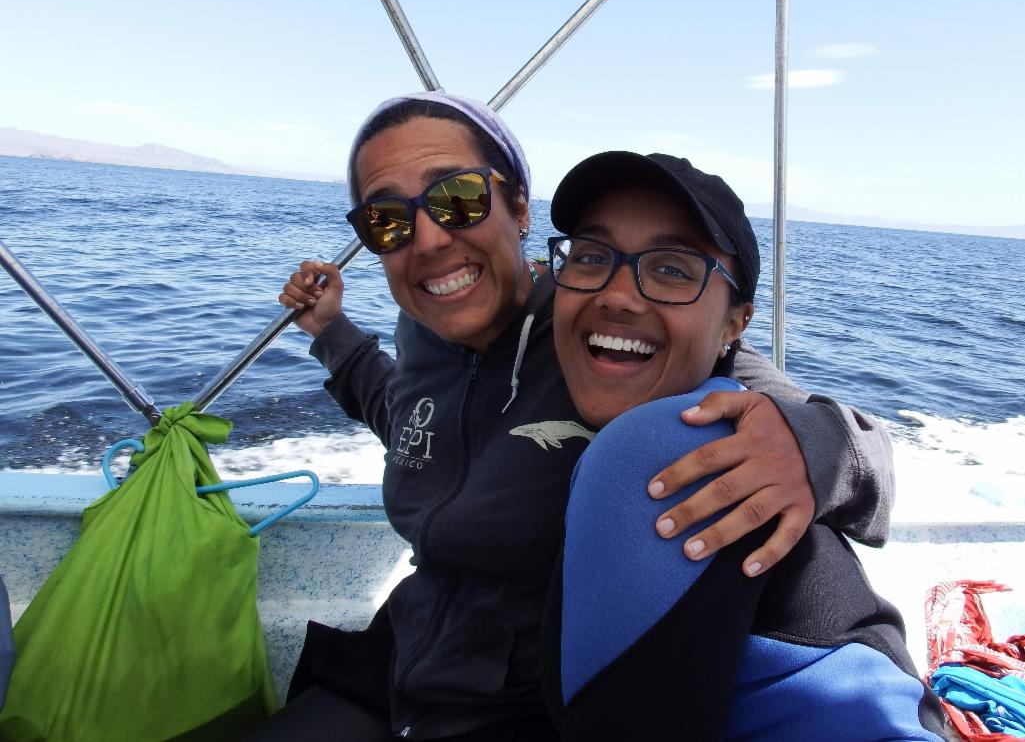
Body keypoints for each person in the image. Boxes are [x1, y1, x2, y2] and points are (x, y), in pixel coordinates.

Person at [266, 92, 896, 740]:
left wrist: (813, 444)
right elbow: (411, 422)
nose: (427, 239)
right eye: (387, 221)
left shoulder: (598, 332)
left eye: (457, 198)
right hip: (401, 660)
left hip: (520, 702)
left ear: (516, 207)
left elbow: (805, 425)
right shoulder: (423, 328)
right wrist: (332, 333)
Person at [541, 152, 947, 741]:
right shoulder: (567, 344)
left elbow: (842, 432)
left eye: (673, 270)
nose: (618, 296)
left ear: (735, 324)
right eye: (591, 257)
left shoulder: (666, 454)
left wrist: (818, 439)